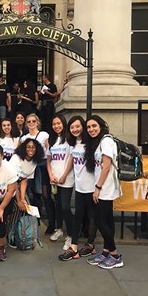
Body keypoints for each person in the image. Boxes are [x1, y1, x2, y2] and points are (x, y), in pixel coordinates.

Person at [85, 115, 124, 269]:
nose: (91, 129)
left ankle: (115, 255)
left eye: (94, 126)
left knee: (100, 221)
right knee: (107, 220)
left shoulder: (106, 141)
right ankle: (106, 252)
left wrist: (98, 188)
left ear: (101, 126)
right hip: (104, 187)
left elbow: (106, 167)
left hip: (105, 188)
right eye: (88, 127)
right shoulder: (101, 141)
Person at [58, 116, 96, 261]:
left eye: (78, 126)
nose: (75, 129)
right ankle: (74, 247)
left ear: (83, 126)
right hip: (79, 186)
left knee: (92, 217)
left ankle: (90, 245)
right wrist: (64, 175)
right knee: (78, 216)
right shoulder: (73, 143)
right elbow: (72, 159)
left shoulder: (91, 142)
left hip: (92, 187)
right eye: (72, 127)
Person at [7, 138, 44, 247]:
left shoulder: (34, 162)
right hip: (8, 185)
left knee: (26, 206)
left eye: (33, 147)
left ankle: (23, 235)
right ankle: (11, 236)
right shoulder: (16, 158)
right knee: (18, 207)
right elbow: (13, 181)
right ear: (24, 148)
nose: (31, 149)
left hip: (19, 185)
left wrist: (22, 199)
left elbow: (24, 180)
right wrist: (19, 201)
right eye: (28, 147)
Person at [47, 114, 74, 251]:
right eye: (54, 124)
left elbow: (71, 159)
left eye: (58, 123)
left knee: (65, 207)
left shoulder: (69, 139)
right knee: (57, 205)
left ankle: (71, 235)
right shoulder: (51, 140)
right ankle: (59, 229)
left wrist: (64, 175)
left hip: (66, 179)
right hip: (54, 179)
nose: (56, 126)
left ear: (63, 123)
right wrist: (51, 175)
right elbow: (49, 160)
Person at [20, 114, 51, 229]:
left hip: (41, 166)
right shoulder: (24, 138)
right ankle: (30, 218)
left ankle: (39, 218)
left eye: (33, 121)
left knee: (40, 193)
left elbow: (48, 151)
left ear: (37, 122)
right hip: (28, 166)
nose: (31, 123)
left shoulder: (43, 135)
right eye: (29, 121)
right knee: (29, 192)